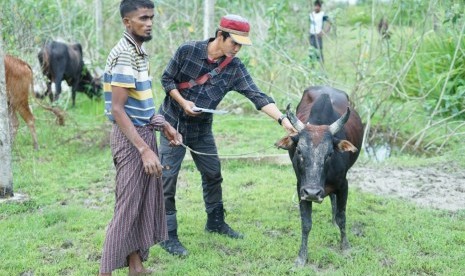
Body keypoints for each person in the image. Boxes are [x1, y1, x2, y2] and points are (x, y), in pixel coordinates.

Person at [157, 14, 296, 256]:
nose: (237, 49)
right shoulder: (188, 51)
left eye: (242, 44)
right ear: (220, 35)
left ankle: (216, 223)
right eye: (234, 42)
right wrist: (183, 102)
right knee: (167, 181)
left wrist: (283, 120)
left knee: (213, 174)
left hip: (201, 130)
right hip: (173, 125)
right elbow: (166, 79)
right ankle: (167, 235)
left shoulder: (234, 67)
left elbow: (257, 96)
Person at [99, 0, 182, 275]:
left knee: (139, 205)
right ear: (127, 22)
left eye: (151, 18)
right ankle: (105, 271)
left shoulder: (138, 52)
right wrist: (145, 150)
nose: (149, 23)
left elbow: (140, 106)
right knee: (126, 210)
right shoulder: (124, 54)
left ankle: (136, 266)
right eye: (143, 18)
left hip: (143, 134)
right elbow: (118, 110)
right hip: (132, 141)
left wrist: (164, 125)